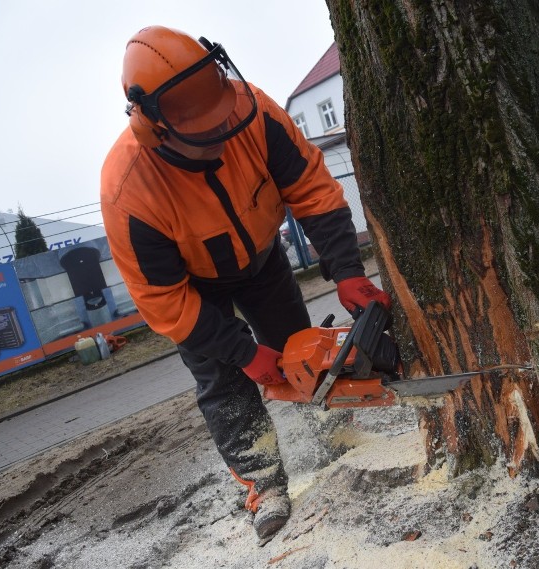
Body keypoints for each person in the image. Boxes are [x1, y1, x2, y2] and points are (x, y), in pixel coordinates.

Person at [100, 25, 390, 540]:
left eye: (224, 123)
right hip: (194, 290)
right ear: (155, 129)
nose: (222, 136)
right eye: (206, 134)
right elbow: (165, 304)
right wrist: (242, 351)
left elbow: (312, 190)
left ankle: (329, 437)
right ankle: (263, 485)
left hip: (260, 258)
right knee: (226, 384)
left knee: (299, 350)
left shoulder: (250, 109)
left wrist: (346, 271)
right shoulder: (129, 190)